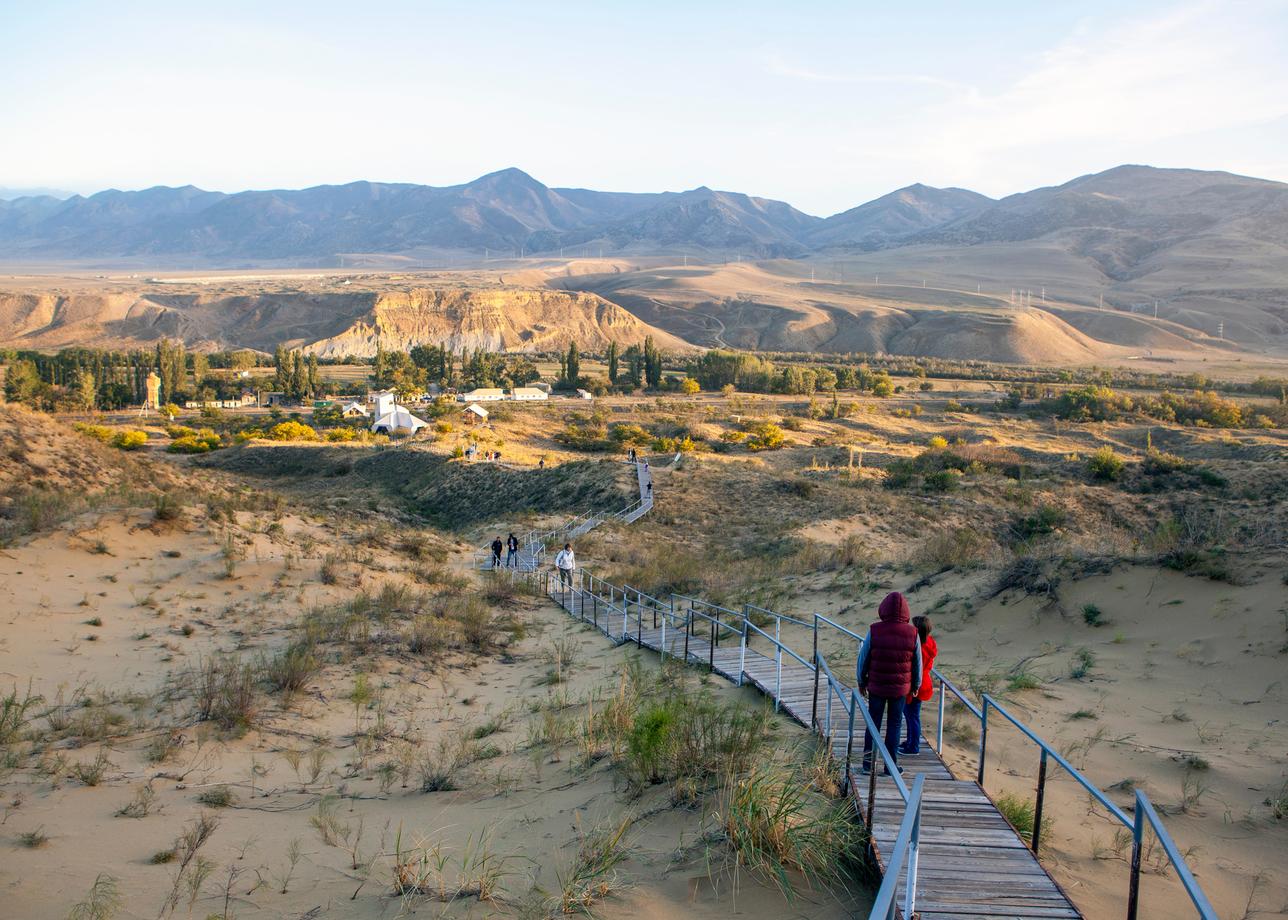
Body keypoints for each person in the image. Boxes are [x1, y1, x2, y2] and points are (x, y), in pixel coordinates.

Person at [856, 591, 921, 774]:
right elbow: (917, 662)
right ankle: (890, 767)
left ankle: (868, 764)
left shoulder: (875, 630)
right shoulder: (912, 633)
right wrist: (916, 685)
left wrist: (861, 681)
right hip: (900, 689)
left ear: (883, 608)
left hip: (876, 686)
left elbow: (863, 657)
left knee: (873, 722)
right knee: (894, 724)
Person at [900, 615, 937, 756]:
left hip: (916, 685)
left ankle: (913, 746)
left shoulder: (919, 647)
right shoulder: (929, 643)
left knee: (912, 716)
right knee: (910, 715)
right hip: (922, 682)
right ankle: (910, 741)